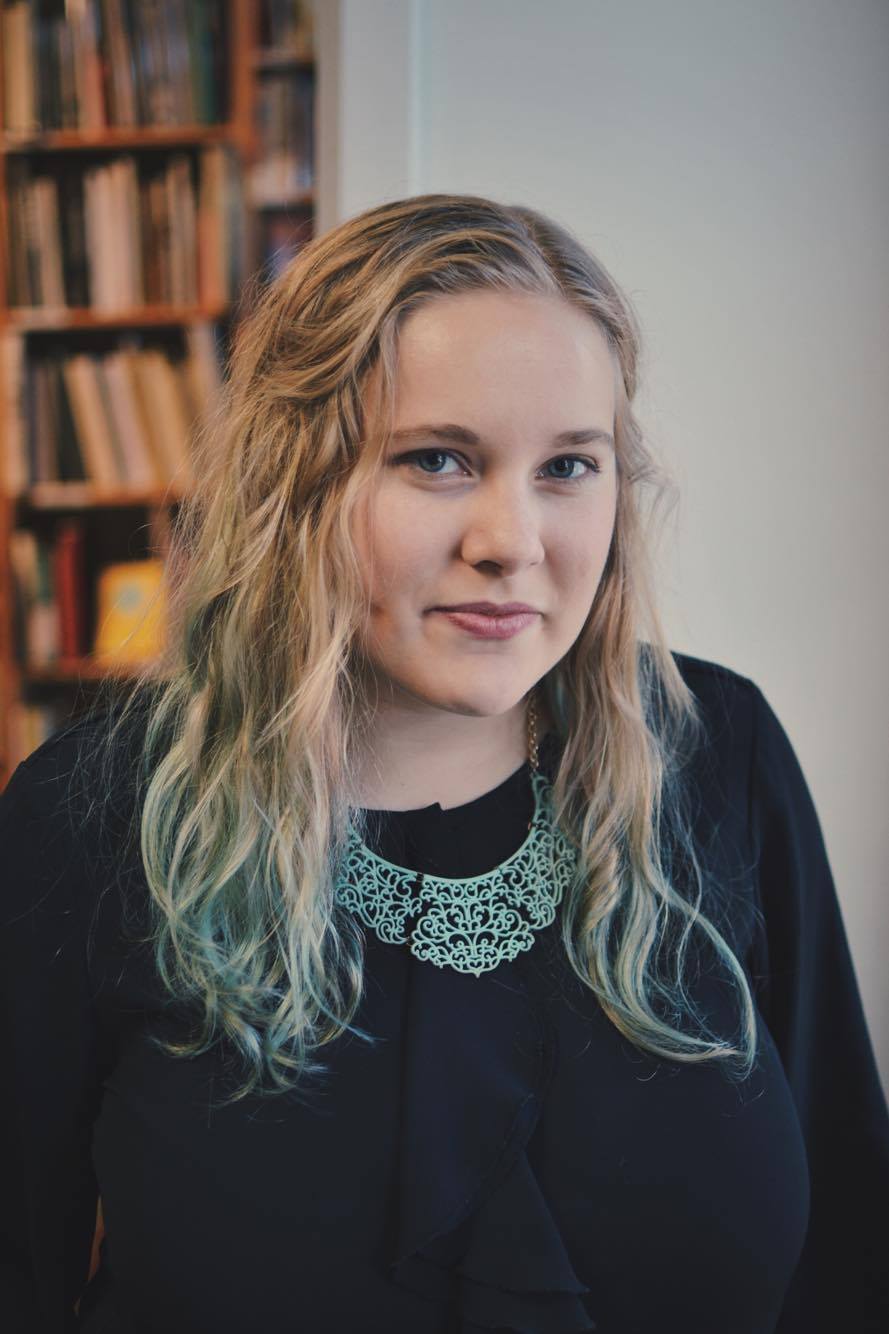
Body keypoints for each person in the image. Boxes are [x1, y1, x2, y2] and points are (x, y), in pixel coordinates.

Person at [1, 194, 887, 1334]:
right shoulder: (94, 814)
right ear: (295, 481)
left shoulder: (716, 752)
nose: (511, 542)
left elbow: (850, 1249)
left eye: (569, 466)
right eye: (437, 459)